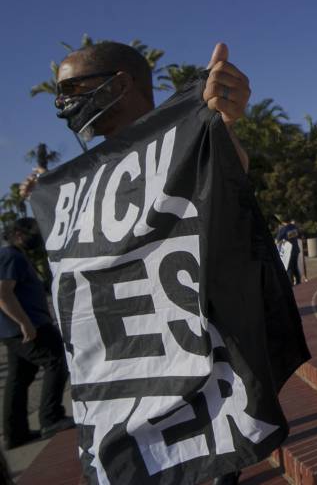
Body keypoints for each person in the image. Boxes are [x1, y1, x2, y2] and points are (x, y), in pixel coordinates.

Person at [22, 40, 252, 485]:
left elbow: (234, 177)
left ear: (120, 84)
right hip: (123, 377)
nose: (62, 103)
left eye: (72, 87)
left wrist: (222, 125)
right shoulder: (84, 182)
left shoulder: (189, 136)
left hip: (194, 368)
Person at [0, 218, 74, 450]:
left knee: (20, 377)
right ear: (19, 234)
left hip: (16, 328)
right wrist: (25, 323)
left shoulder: (14, 256)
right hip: (29, 326)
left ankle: (16, 433)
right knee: (57, 360)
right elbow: (3, 294)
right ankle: (51, 417)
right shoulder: (10, 256)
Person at [276, 220, 303, 284]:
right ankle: (298, 282)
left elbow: (278, 240)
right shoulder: (294, 227)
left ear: (283, 222)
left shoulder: (284, 229)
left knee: (289, 268)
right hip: (296, 250)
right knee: (295, 267)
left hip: (289, 252)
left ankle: (291, 284)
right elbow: (300, 235)